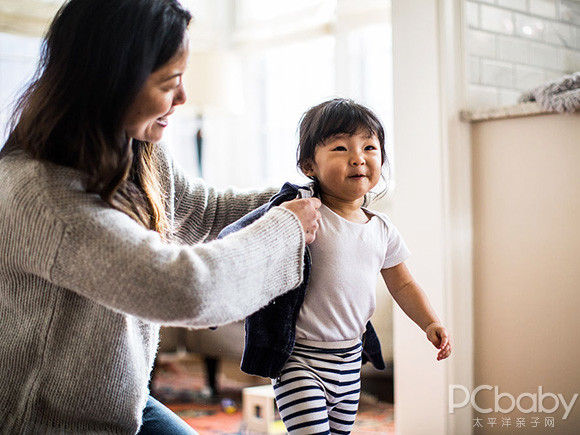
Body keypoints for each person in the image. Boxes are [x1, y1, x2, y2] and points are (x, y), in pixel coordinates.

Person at [0, 0, 321, 433]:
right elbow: (185, 289)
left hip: (122, 405)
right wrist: (287, 229)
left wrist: (310, 193)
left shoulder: (139, 152)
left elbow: (205, 211)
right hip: (43, 422)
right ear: (111, 81)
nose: (184, 97)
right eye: (170, 81)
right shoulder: (38, 193)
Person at [220, 98, 452, 434]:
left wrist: (430, 322)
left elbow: (402, 284)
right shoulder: (301, 213)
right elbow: (246, 240)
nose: (358, 157)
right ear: (308, 166)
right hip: (300, 360)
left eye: (369, 147)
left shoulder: (382, 228)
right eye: (341, 148)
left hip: (349, 362)